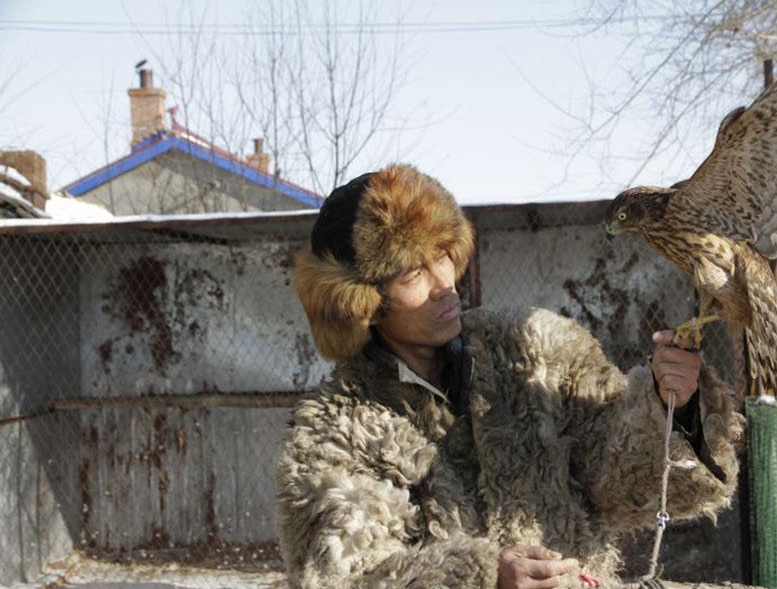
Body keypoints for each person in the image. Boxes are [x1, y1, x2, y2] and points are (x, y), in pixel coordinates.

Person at [276, 164, 742, 588]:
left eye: (443, 255)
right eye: (413, 273)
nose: (444, 284)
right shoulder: (336, 433)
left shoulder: (534, 349)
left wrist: (672, 405)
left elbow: (629, 482)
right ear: (365, 304)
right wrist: (481, 578)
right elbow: (347, 579)